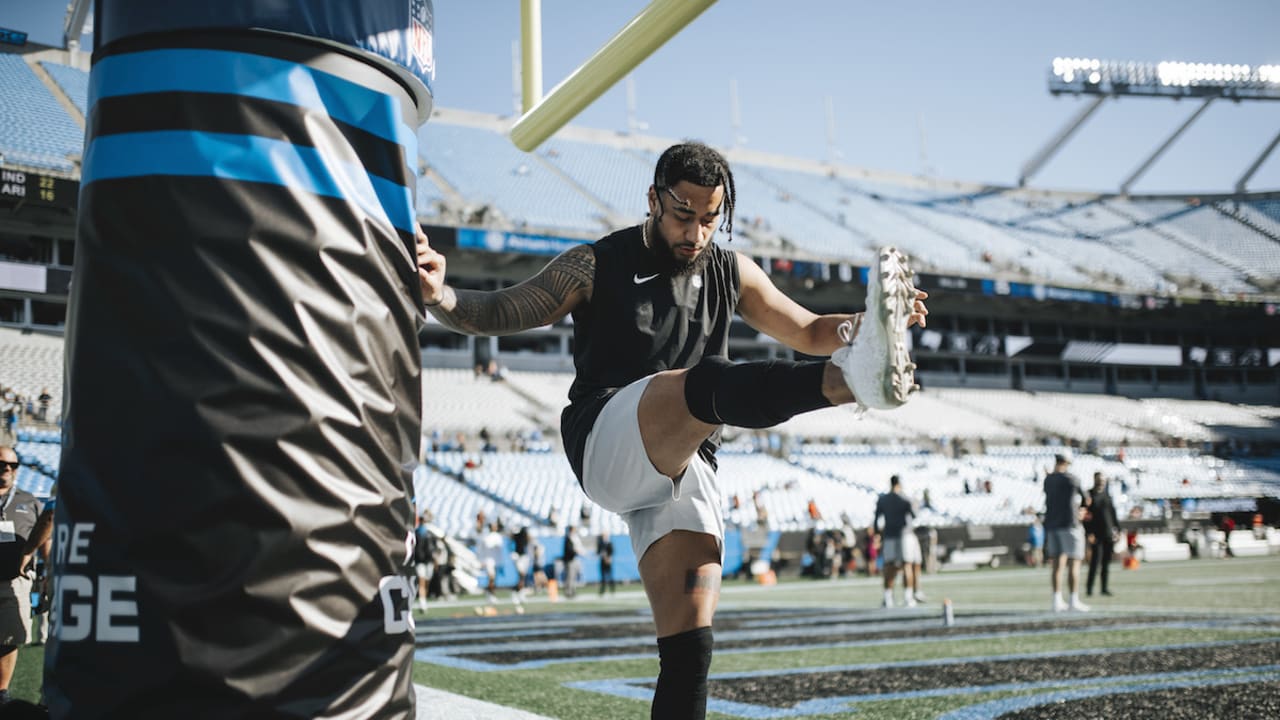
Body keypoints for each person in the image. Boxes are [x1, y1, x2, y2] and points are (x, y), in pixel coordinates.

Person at [415, 141, 928, 718]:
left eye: (711, 219)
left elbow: (809, 329)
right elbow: (506, 309)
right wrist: (442, 296)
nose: (697, 233)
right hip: (605, 438)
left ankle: (857, 368)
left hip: (684, 464)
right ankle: (851, 383)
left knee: (689, 652)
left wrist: (868, 325)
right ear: (654, 200)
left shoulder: (730, 269)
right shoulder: (596, 262)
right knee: (698, 386)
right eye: (683, 215)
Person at [0, 447, 42, 706]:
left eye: (13, 465)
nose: (7, 469)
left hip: (14, 582)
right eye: (2, 463)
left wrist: (46, 573)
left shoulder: (30, 500)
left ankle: (1, 692)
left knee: (8, 638)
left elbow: (43, 539)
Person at [1044, 452, 1089, 612]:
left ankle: (1057, 600)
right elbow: (1086, 499)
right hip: (1070, 525)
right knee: (1074, 563)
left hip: (1052, 524)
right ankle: (1073, 600)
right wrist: (1082, 510)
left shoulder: (1048, 479)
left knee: (1057, 565)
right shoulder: (1072, 479)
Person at [874, 475, 922, 607]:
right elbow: (914, 515)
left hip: (889, 535)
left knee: (889, 566)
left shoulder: (883, 499)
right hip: (904, 534)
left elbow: (876, 519)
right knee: (906, 565)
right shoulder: (905, 498)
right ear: (900, 484)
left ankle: (888, 598)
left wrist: (877, 534)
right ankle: (908, 598)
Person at [1084, 472, 1120, 597]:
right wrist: (1089, 533)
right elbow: (1086, 516)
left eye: (1103, 480)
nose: (1101, 482)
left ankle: (1104, 587)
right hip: (1096, 534)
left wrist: (1117, 530)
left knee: (1106, 562)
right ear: (1095, 480)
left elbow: (1113, 514)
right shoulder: (1089, 495)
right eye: (1099, 480)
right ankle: (1089, 588)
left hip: (1108, 533)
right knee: (1095, 562)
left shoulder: (1107, 495)